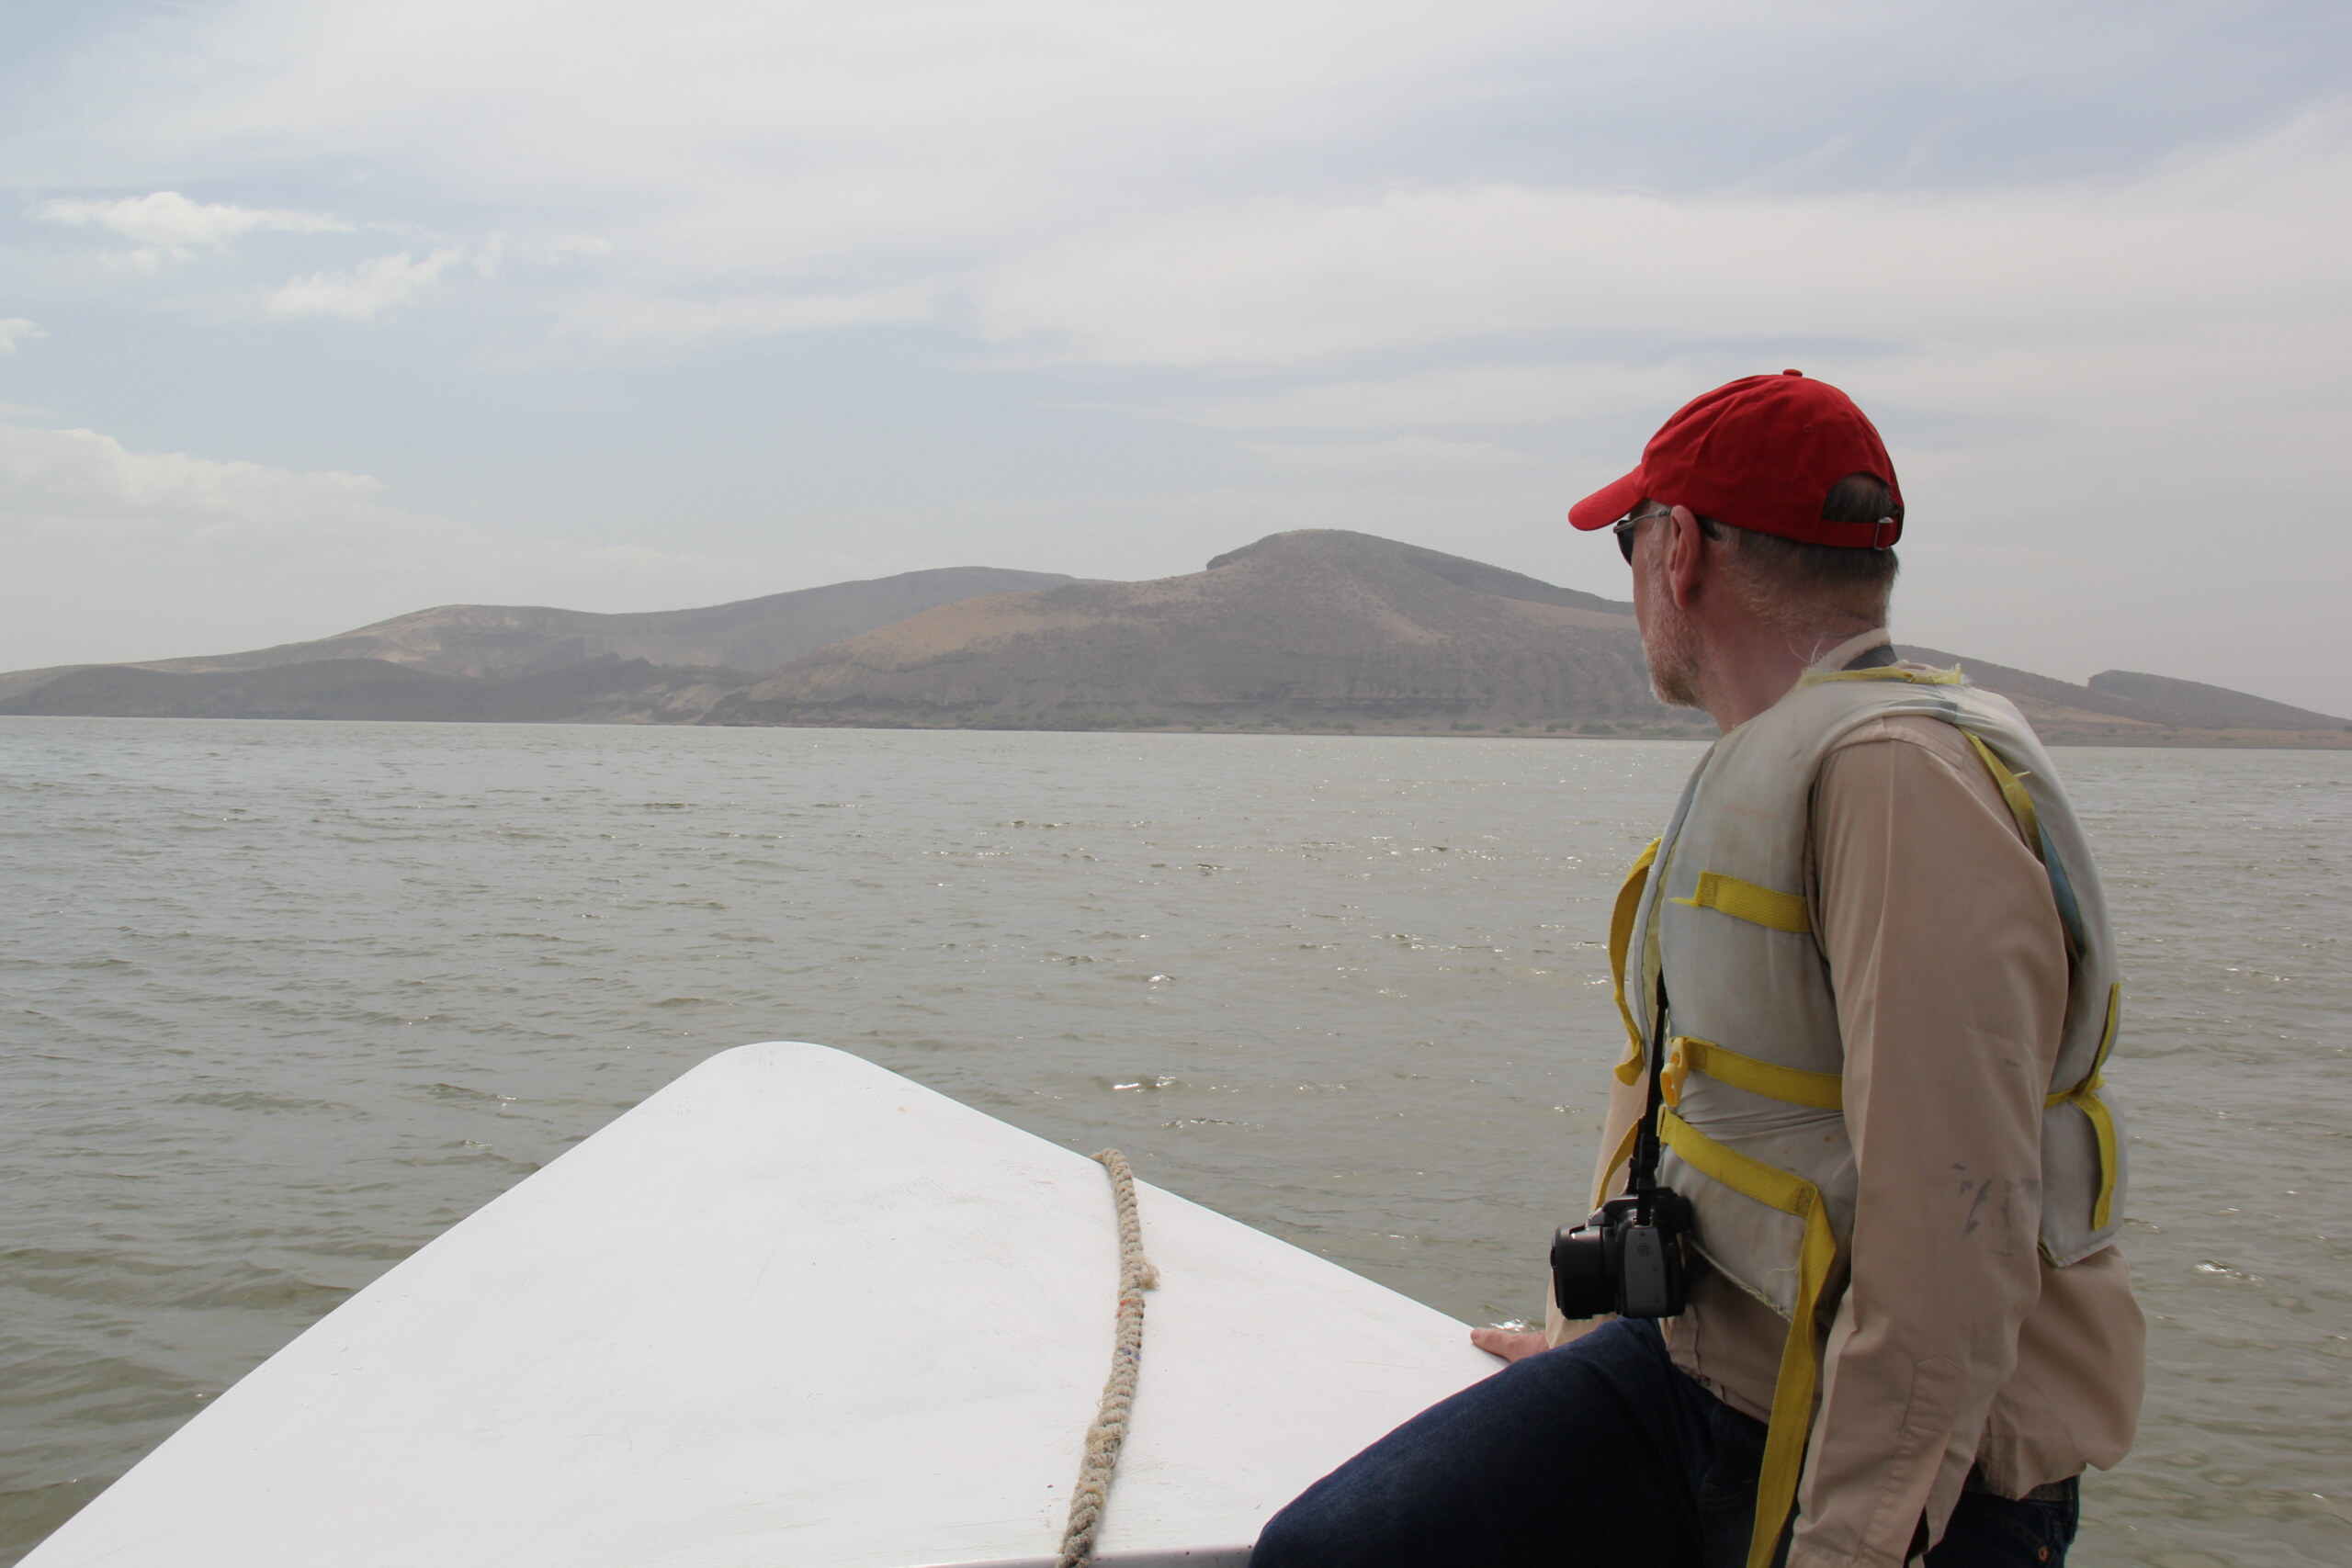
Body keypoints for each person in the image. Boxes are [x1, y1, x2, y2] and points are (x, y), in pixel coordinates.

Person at [1250, 372, 2143, 1568]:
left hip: (1889, 1462)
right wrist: (1579, 1346)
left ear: (1679, 552)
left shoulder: (1897, 782)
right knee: (1327, 1551)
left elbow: (1954, 1234)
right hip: (1699, 1370)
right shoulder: (1789, 760)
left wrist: (1850, 1548)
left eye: (1629, 539)